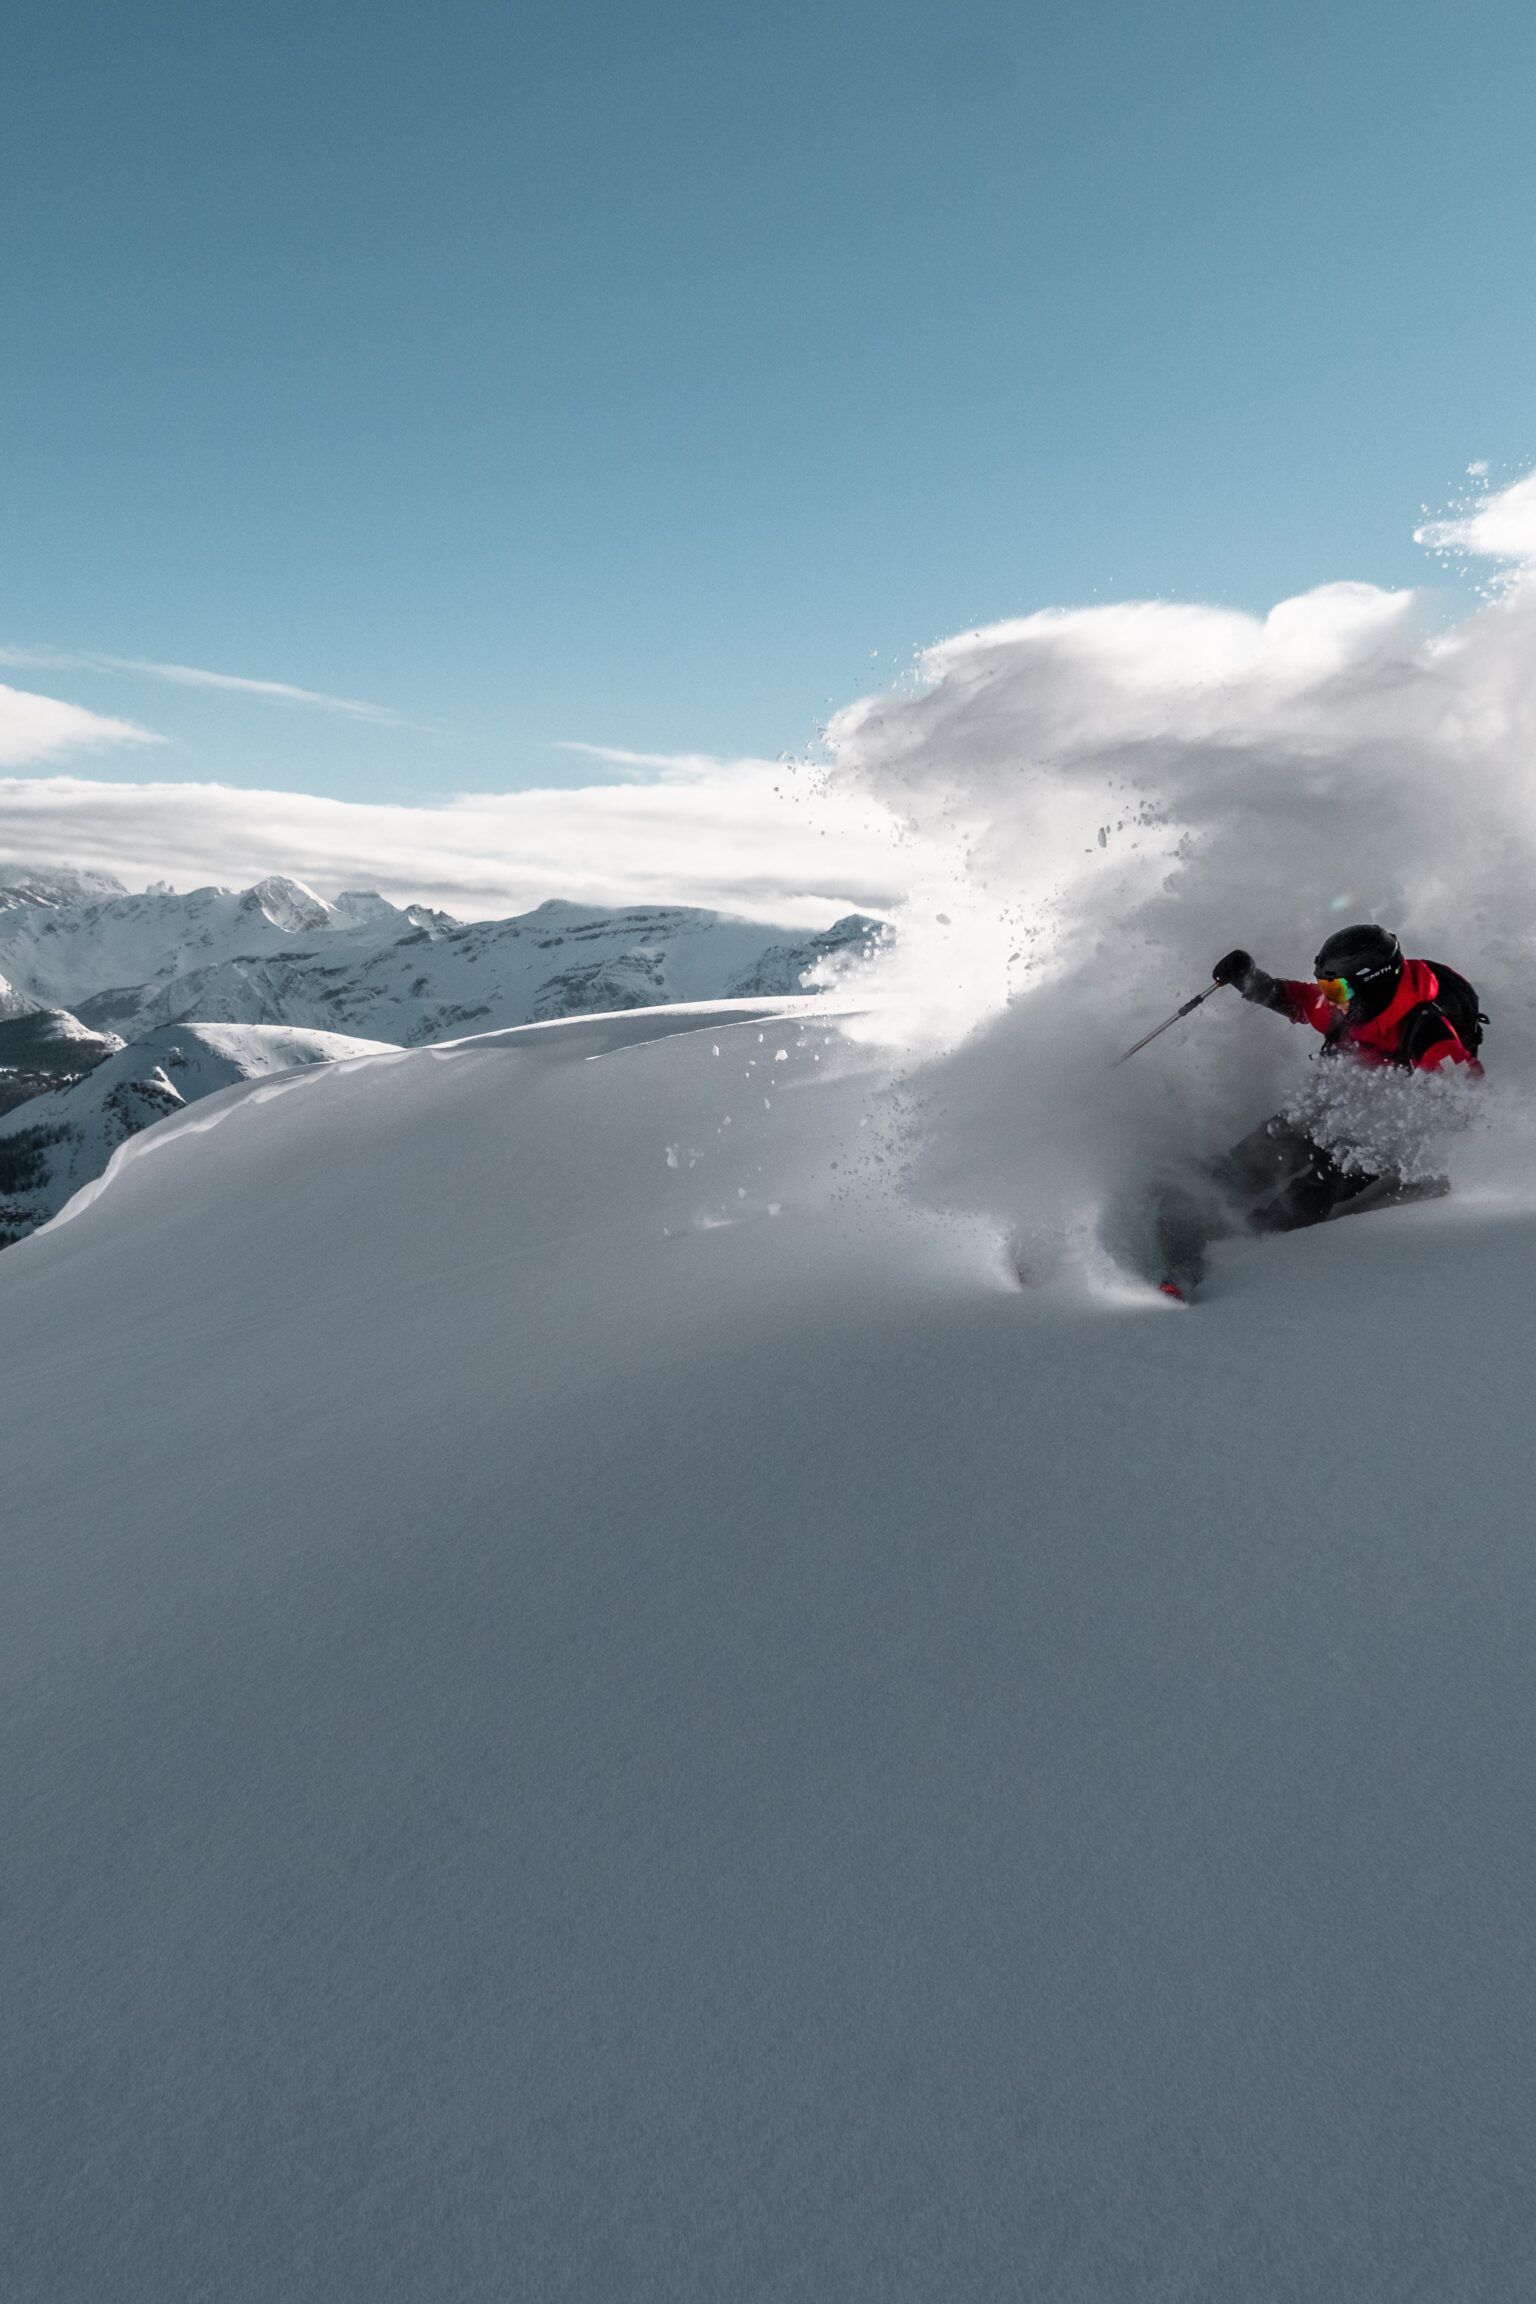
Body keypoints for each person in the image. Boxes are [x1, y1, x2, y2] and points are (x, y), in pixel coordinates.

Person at [1153, 923, 1483, 1296]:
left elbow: (1467, 1099)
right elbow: (1298, 1000)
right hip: (1339, 1097)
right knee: (1276, 1142)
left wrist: (1423, 1142)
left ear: (1371, 984)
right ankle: (1204, 1193)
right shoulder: (1350, 1006)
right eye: (1325, 986)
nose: (1327, 998)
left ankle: (1231, 1245)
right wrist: (1249, 980)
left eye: (1335, 989)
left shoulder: (1429, 1034)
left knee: (1317, 1187)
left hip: (1387, 1129)